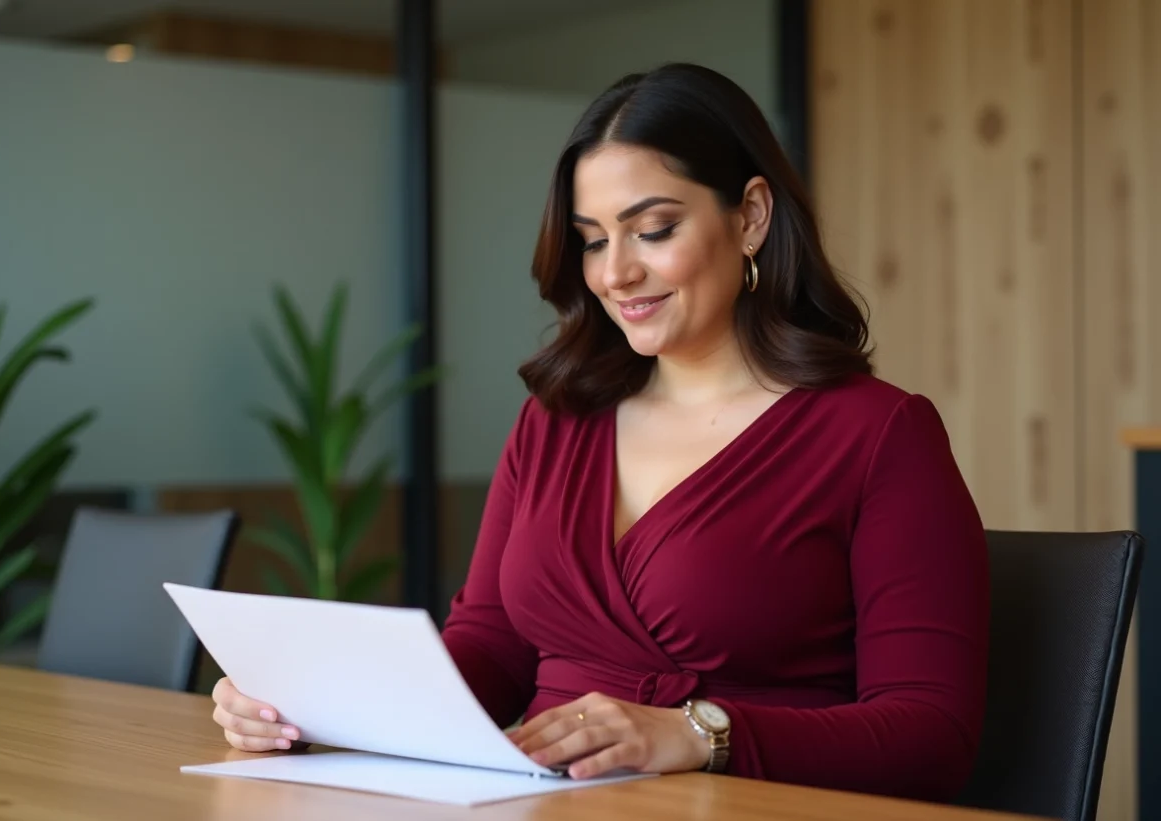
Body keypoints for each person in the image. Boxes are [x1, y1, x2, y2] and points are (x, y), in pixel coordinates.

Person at [210, 63, 990, 803]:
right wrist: (317, 708)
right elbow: (492, 646)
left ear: (750, 216)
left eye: (653, 229)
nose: (615, 273)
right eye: (592, 238)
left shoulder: (878, 434)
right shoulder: (554, 421)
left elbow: (932, 736)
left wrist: (699, 733)